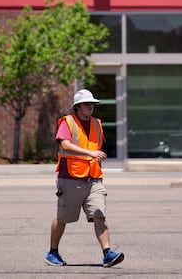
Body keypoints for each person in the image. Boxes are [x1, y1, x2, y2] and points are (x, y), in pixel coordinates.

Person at [45, 89, 125, 268]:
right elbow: (65, 144)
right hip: (71, 177)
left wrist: (95, 156)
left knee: (99, 214)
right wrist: (90, 153)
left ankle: (107, 253)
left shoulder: (97, 123)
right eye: (87, 104)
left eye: (93, 104)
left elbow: (96, 145)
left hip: (93, 177)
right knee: (63, 218)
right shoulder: (68, 122)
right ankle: (52, 252)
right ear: (78, 106)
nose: (91, 106)